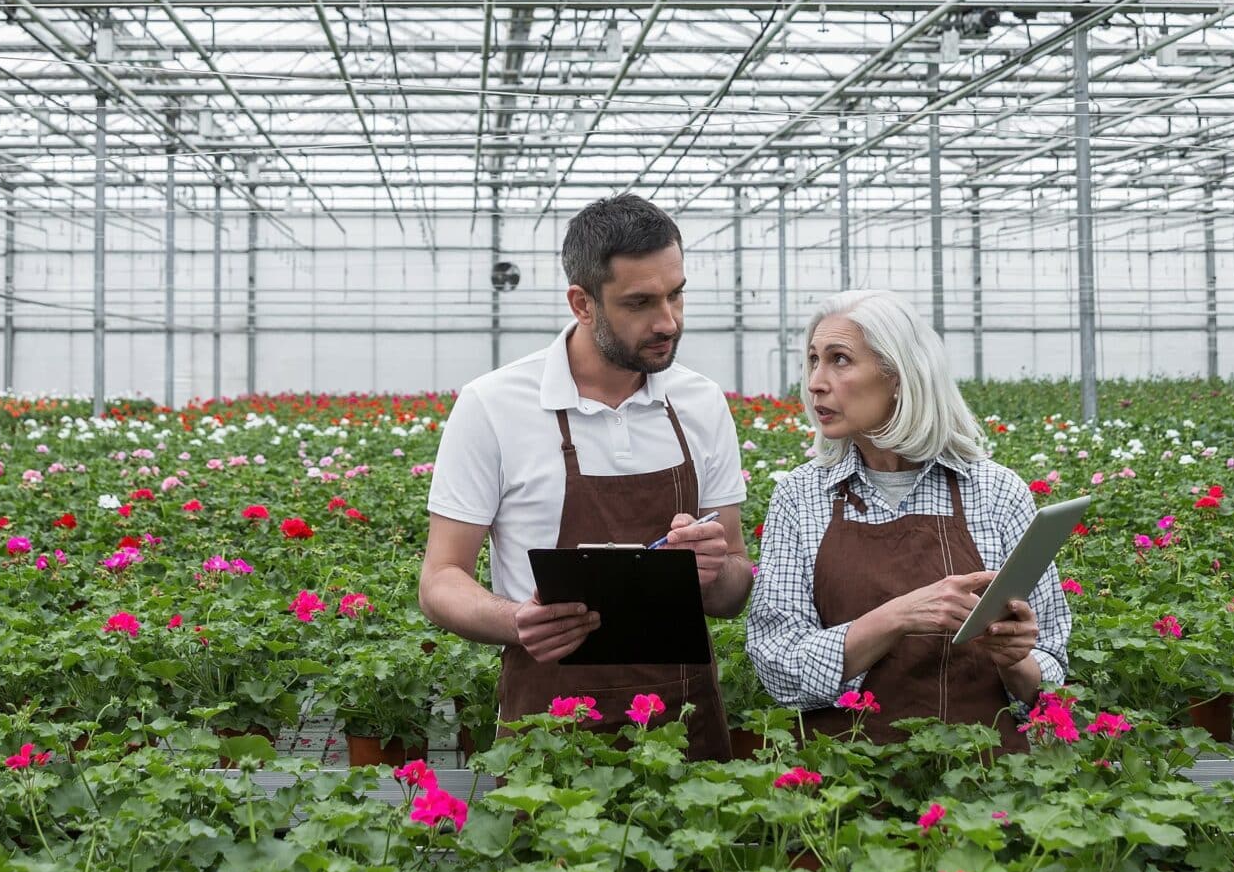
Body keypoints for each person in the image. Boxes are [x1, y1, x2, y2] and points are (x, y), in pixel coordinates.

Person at [419, 193, 751, 762]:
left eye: (676, 294)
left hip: (681, 726)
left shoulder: (700, 403)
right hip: (550, 728)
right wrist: (516, 621)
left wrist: (714, 569)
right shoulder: (494, 406)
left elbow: (734, 589)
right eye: (640, 302)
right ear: (583, 303)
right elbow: (440, 579)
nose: (667, 321)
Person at [745, 289, 1067, 746]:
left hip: (984, 782)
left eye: (839, 360)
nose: (816, 381)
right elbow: (778, 666)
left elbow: (1051, 674)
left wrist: (1015, 659)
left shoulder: (996, 491)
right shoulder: (800, 496)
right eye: (813, 360)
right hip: (845, 788)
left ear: (898, 376)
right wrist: (896, 618)